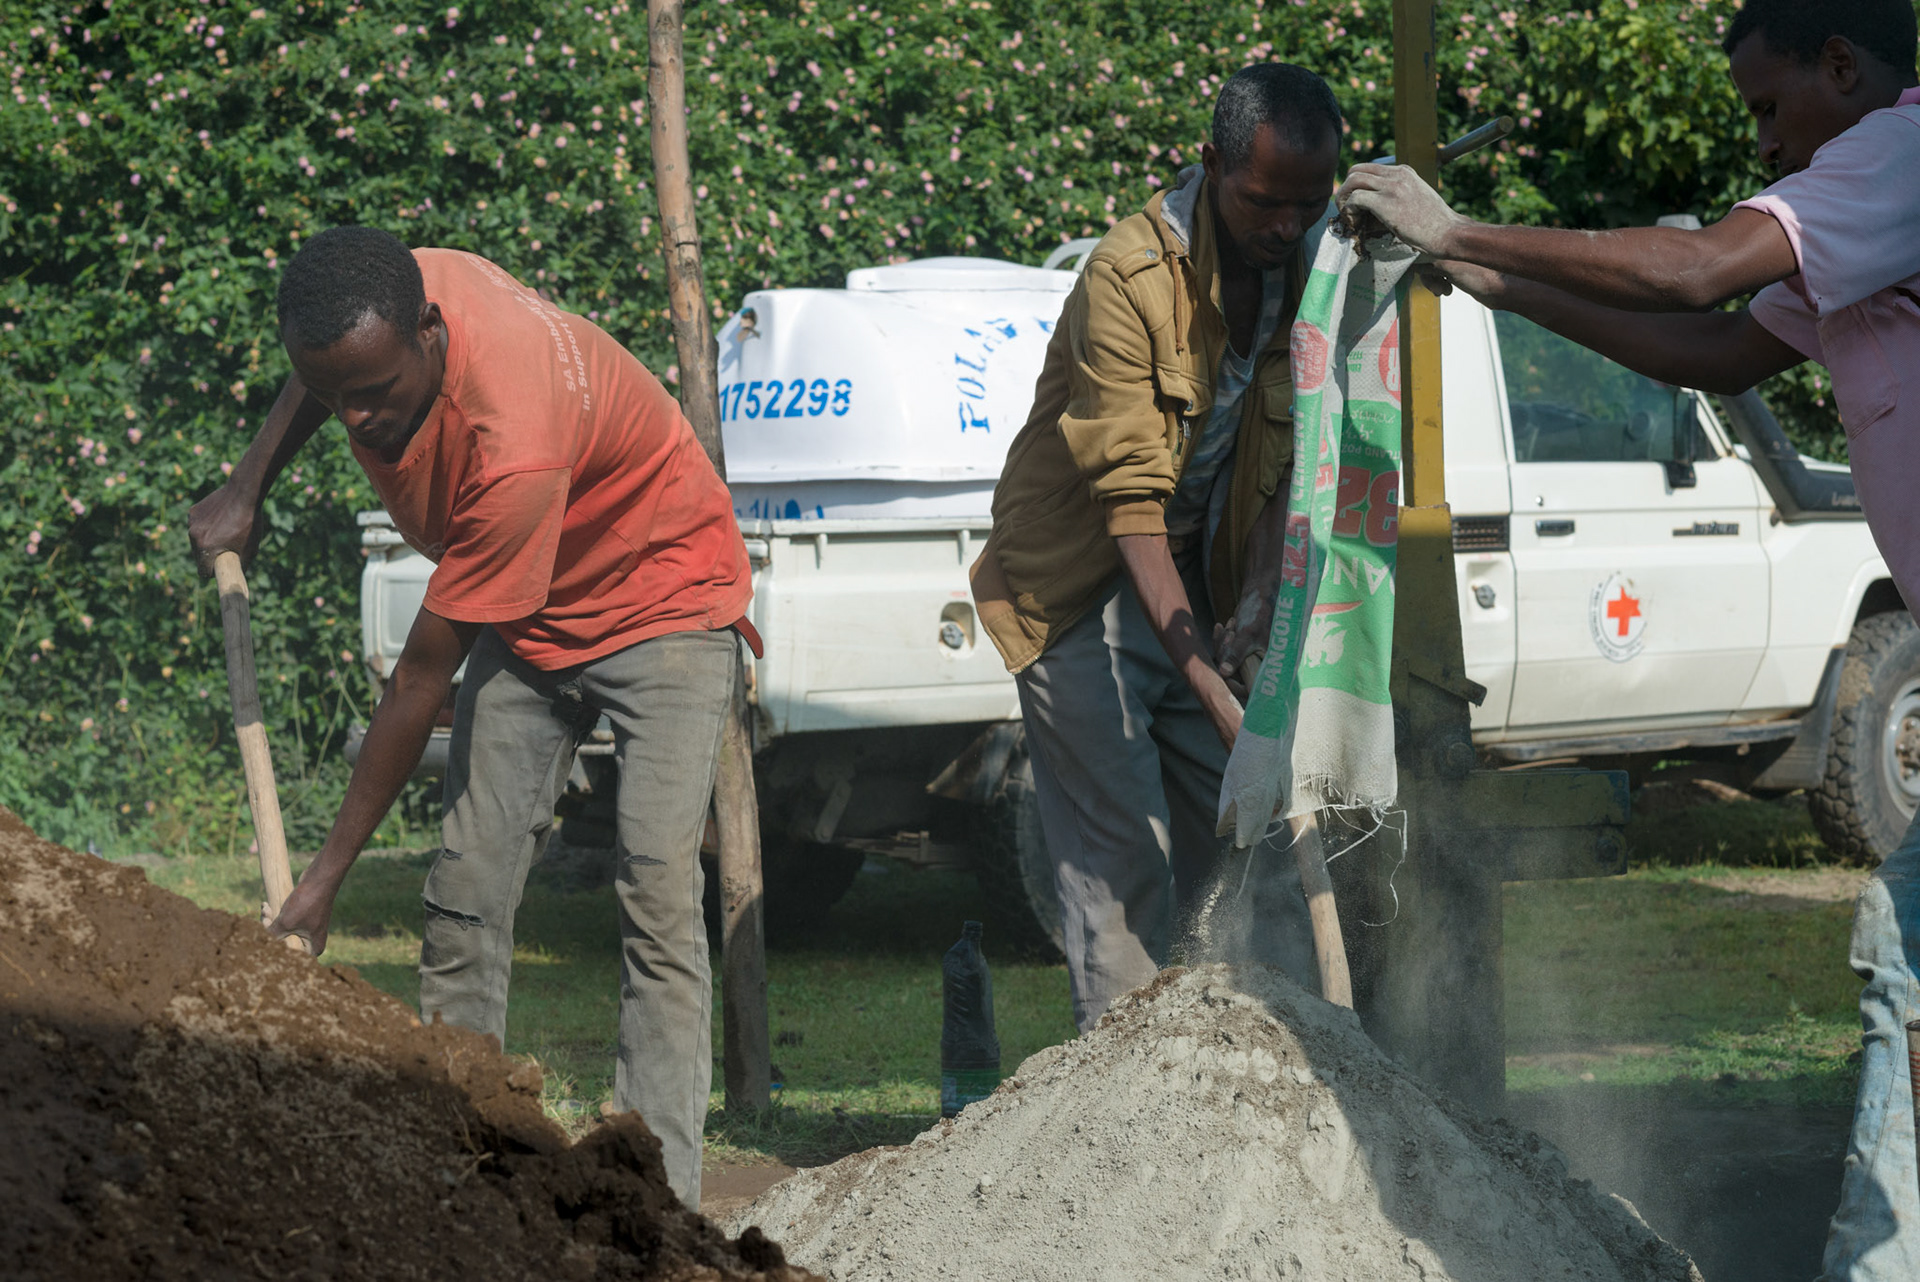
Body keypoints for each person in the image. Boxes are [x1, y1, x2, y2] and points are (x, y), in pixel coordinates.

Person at [1337, 1, 1919, 1275]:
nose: (1765, 146)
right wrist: (1490, 281)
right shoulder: (1866, 233)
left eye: (1770, 110)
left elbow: (1701, 269)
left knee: (1903, 961)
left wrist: (1460, 227)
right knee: (1904, 960)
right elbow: (1715, 353)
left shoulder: (1901, 155)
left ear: (1843, 66)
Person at [187, 227, 755, 1205]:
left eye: (375, 392)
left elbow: (417, 685)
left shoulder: (514, 437)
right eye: (337, 396)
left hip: (662, 600)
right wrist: (249, 485)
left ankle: (652, 1190)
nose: (357, 419)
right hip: (531, 608)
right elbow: (326, 377)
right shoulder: (387, 295)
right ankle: (461, 1160)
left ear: (430, 334)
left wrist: (322, 883)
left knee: (656, 882)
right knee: (467, 877)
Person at [971, 63, 1338, 1033]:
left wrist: (1256, 608)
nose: (1288, 224)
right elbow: (1130, 507)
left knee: (1235, 817)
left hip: (1186, 581)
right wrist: (1210, 686)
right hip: (1079, 583)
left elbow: (1278, 459)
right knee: (1122, 860)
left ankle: (1235, 1080)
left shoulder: (1306, 271)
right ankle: (1117, 1127)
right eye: (1265, 200)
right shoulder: (1128, 276)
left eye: (1312, 201)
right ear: (1212, 165)